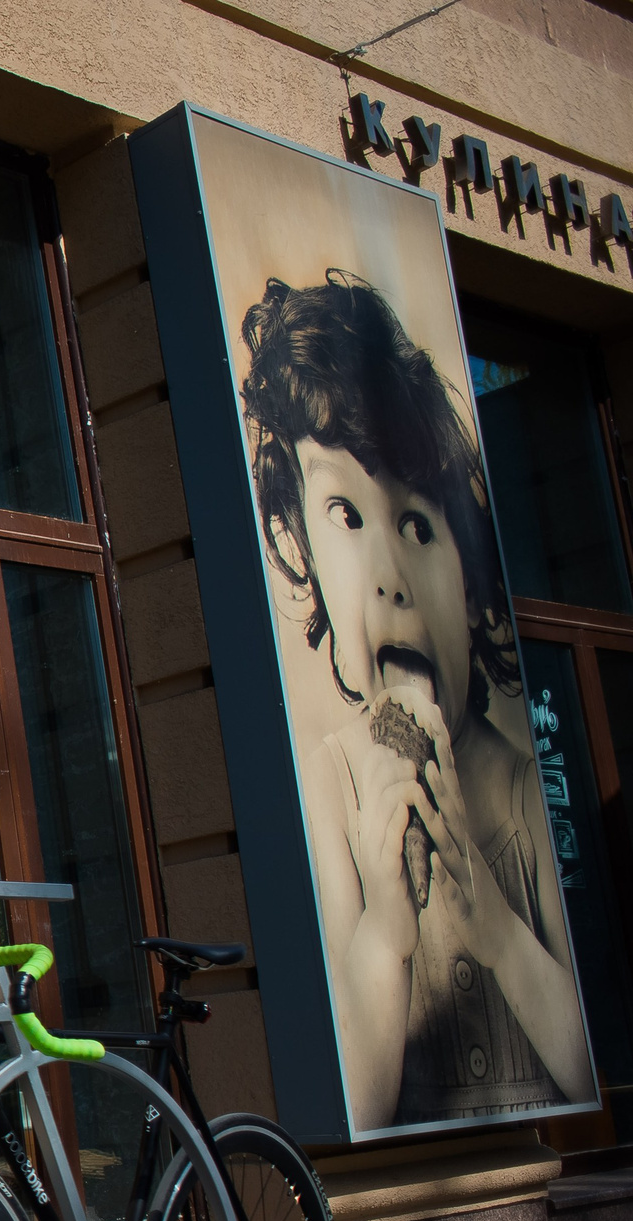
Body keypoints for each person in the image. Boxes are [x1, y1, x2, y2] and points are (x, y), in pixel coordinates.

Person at [241, 271, 596, 1130]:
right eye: (347, 516)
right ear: (302, 547)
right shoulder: (334, 785)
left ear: (468, 578)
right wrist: (387, 924)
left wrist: (494, 923)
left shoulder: (515, 786)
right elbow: (355, 1098)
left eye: (417, 526)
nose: (393, 581)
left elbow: (592, 1064)